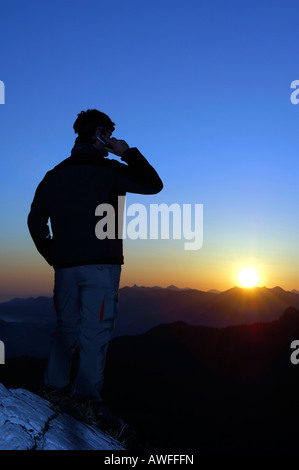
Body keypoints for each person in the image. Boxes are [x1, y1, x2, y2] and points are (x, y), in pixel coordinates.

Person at [27, 109, 163, 420]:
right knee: (94, 333)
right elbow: (154, 185)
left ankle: (54, 391)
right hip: (102, 267)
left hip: (65, 269)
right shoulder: (110, 171)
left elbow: (35, 221)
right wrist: (128, 152)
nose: (112, 140)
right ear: (100, 133)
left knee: (65, 329)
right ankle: (85, 404)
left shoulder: (54, 175)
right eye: (109, 134)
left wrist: (54, 256)